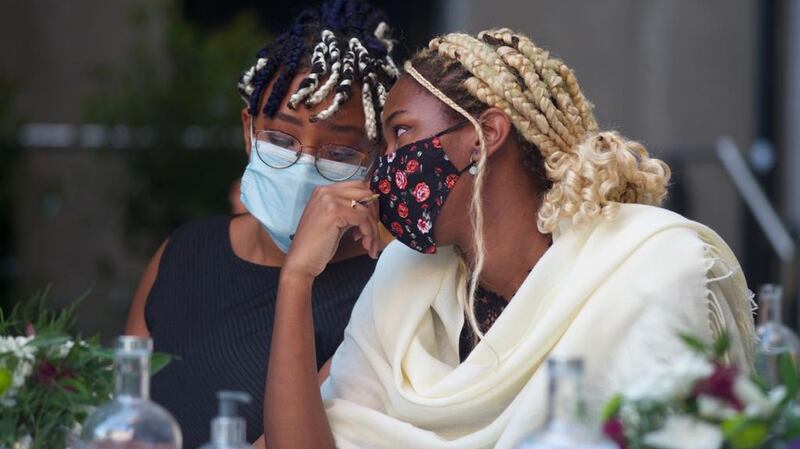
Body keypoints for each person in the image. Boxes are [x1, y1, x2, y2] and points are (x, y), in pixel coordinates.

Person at [252, 28, 756, 449]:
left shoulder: (648, 267)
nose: (384, 167)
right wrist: (297, 278)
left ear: (485, 135)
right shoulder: (403, 274)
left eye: (400, 134)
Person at [123, 1, 399, 446]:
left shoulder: (385, 292)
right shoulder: (184, 252)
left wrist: (298, 277)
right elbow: (119, 414)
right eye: (280, 138)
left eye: (340, 153)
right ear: (249, 131)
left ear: (376, 162)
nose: (304, 164)